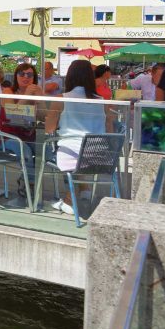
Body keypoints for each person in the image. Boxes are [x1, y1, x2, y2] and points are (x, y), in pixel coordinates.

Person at [44, 59, 110, 215]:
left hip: (71, 155)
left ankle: (68, 200)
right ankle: (85, 188)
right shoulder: (102, 101)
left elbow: (49, 128)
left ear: (70, 77)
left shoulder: (62, 98)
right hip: (99, 155)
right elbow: (109, 128)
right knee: (81, 151)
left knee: (59, 151)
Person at [0, 62, 43, 148]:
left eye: (29, 75)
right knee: (26, 152)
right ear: (16, 76)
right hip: (7, 136)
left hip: (27, 135)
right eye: (22, 74)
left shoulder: (35, 92)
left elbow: (43, 116)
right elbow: (12, 116)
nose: (26, 77)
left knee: (46, 152)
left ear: (34, 78)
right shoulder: (8, 91)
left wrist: (40, 99)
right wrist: (27, 95)